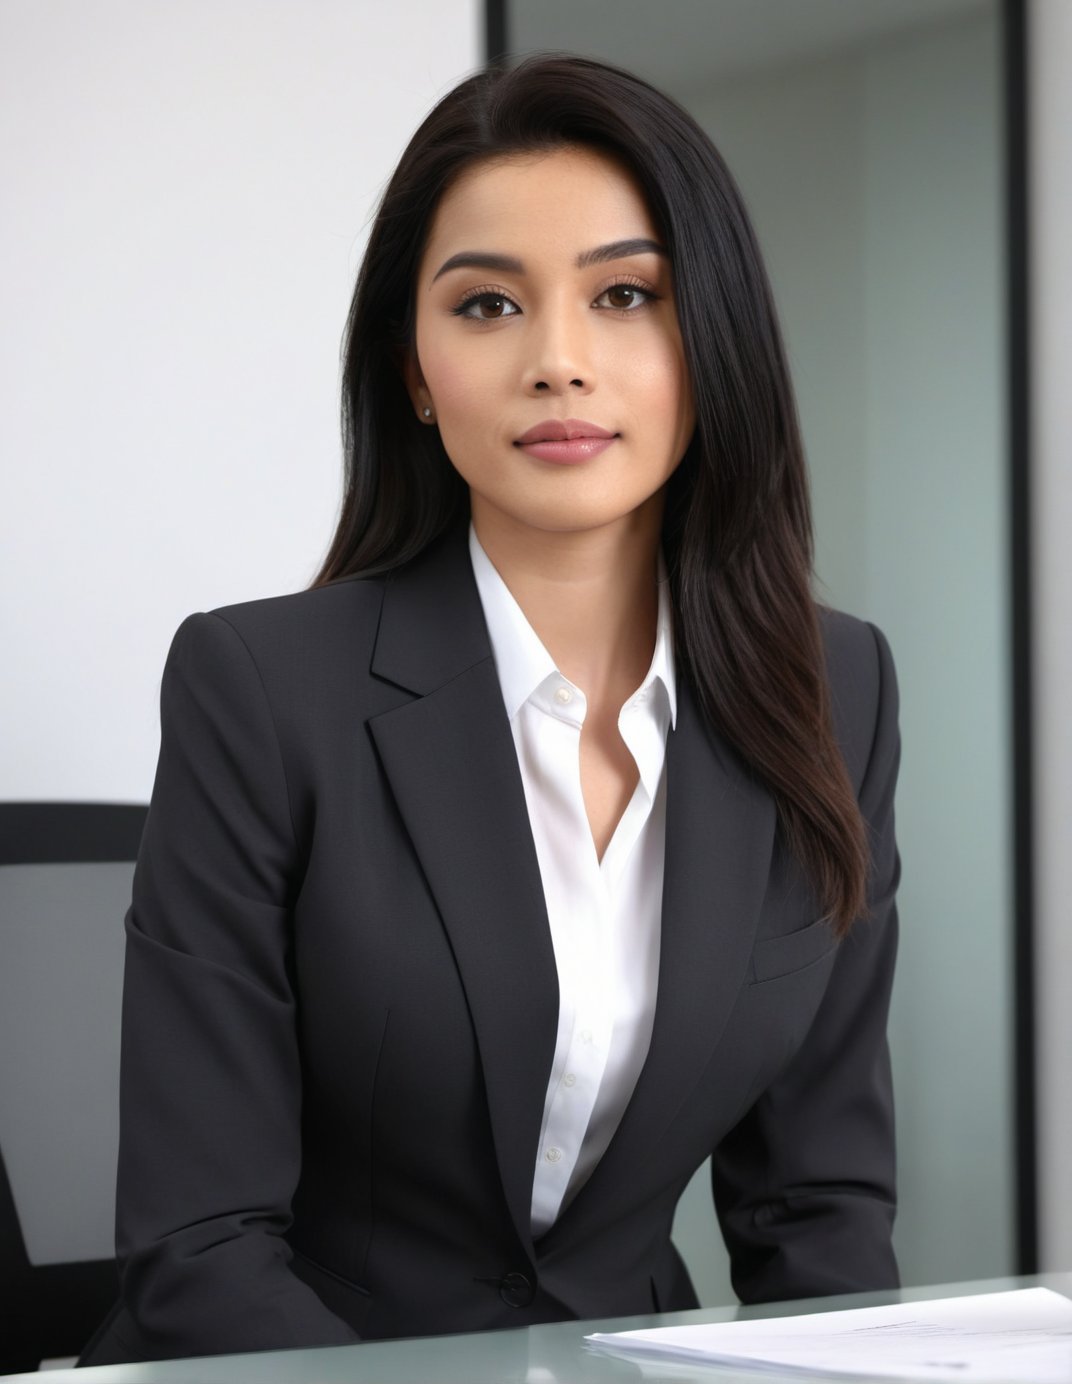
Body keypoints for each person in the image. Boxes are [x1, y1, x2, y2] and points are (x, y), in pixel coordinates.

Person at [81, 53, 900, 1366]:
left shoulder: (833, 688)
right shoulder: (260, 690)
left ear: (712, 345)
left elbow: (819, 1213)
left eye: (626, 295)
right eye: (487, 307)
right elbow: (200, 1249)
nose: (559, 363)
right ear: (414, 368)